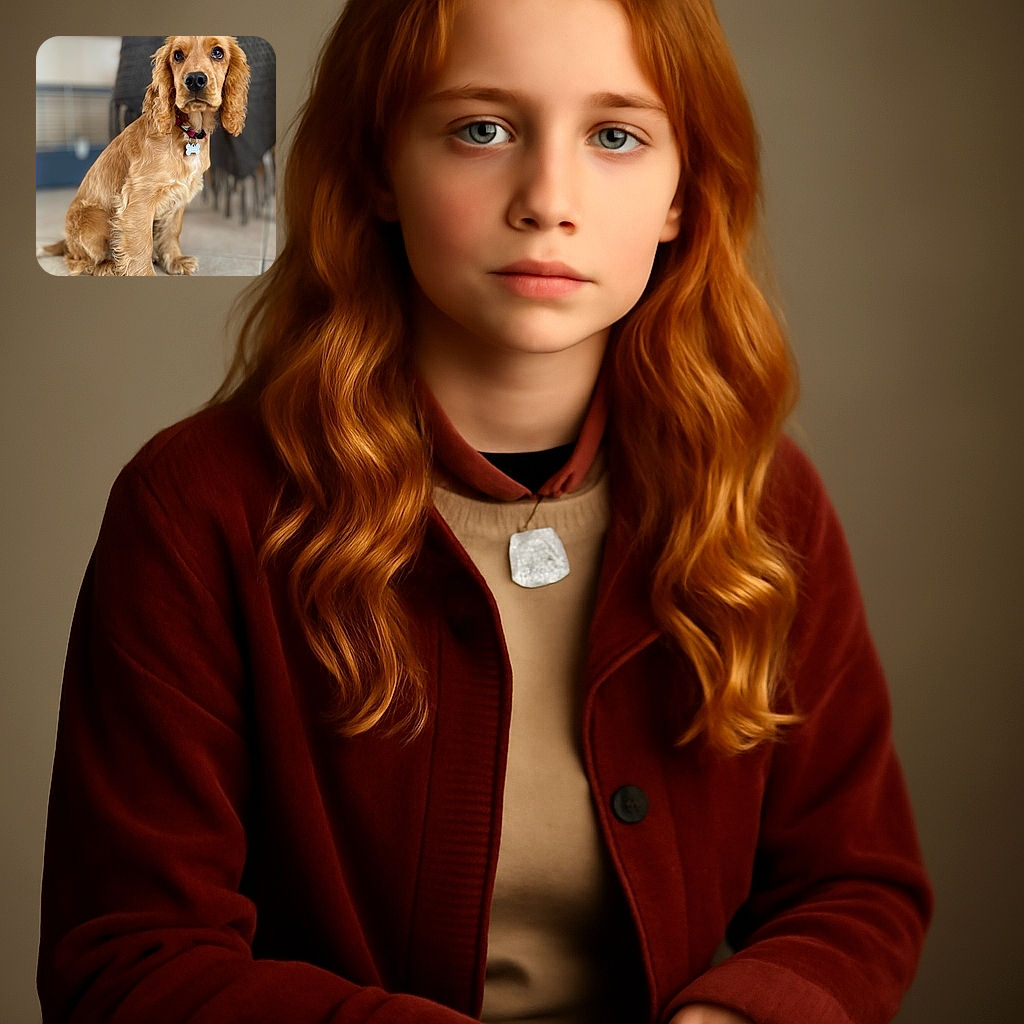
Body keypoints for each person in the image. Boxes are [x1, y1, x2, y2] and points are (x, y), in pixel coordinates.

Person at [37, 1, 931, 1021]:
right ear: (378, 167)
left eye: (615, 136)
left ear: (683, 194)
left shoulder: (762, 499)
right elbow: (129, 959)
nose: (548, 200)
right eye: (481, 129)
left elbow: (855, 887)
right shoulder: (196, 507)